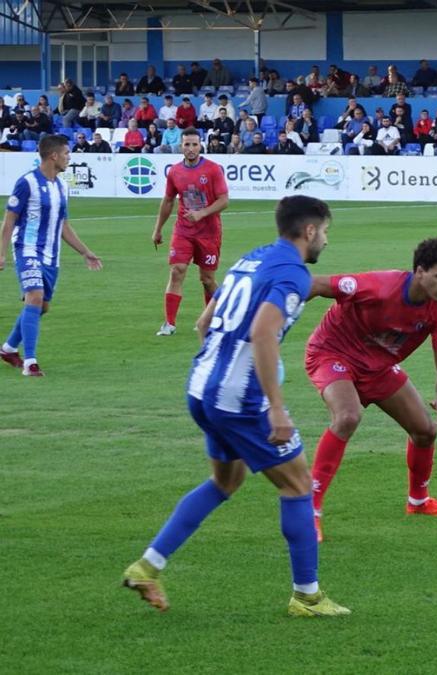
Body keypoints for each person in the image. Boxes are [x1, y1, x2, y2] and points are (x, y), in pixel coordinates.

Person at [121, 196, 348, 617]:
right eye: (326, 233)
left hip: (200, 387)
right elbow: (263, 333)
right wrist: (276, 408)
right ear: (310, 231)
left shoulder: (251, 259)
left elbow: (204, 322)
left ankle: (147, 567)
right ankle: (307, 596)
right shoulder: (293, 274)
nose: (326, 243)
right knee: (298, 486)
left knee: (225, 483)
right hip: (239, 401)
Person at [305, 238, 437, 543]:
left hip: (377, 367)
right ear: (420, 271)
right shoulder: (378, 286)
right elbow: (316, 283)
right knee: (348, 416)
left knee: (425, 430)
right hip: (332, 353)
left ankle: (418, 502)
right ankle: (309, 513)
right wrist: (276, 312)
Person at [0, 135, 103, 377]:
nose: (69, 157)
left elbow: (63, 225)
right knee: (34, 297)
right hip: (27, 249)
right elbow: (9, 220)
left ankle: (7, 349)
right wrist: (1, 253)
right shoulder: (26, 183)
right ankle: (30, 363)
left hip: (51, 256)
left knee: (41, 306)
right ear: (53, 155)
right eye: (67, 153)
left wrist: (85, 252)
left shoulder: (61, 186)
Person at [151, 128, 229, 337]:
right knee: (177, 270)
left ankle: (215, 317)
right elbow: (168, 201)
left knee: (207, 280)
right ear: (181, 146)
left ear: (200, 145)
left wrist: (202, 213)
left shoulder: (213, 170)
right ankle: (169, 323)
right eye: (187, 144)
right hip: (184, 230)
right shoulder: (175, 171)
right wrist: (158, 229)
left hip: (209, 232)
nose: (191, 148)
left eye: (194, 144)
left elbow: (224, 201)